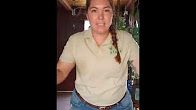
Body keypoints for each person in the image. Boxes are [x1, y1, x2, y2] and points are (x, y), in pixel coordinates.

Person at [57, 0, 139, 109]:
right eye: (94, 10)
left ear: (112, 14)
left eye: (106, 10)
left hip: (121, 106)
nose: (100, 17)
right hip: (82, 105)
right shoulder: (75, 41)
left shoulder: (126, 39)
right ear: (87, 14)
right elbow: (61, 71)